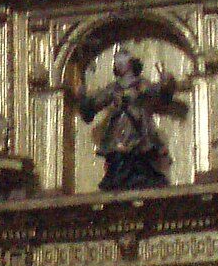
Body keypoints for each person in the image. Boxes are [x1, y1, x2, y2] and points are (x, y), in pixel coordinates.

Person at [76, 45, 180, 190]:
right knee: (118, 157)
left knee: (139, 157)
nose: (120, 65)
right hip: (118, 128)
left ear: (131, 64)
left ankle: (139, 175)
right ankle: (118, 176)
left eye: (122, 62)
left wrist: (166, 84)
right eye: (117, 63)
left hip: (138, 127)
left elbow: (158, 94)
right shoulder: (114, 88)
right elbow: (96, 103)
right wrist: (85, 100)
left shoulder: (140, 85)